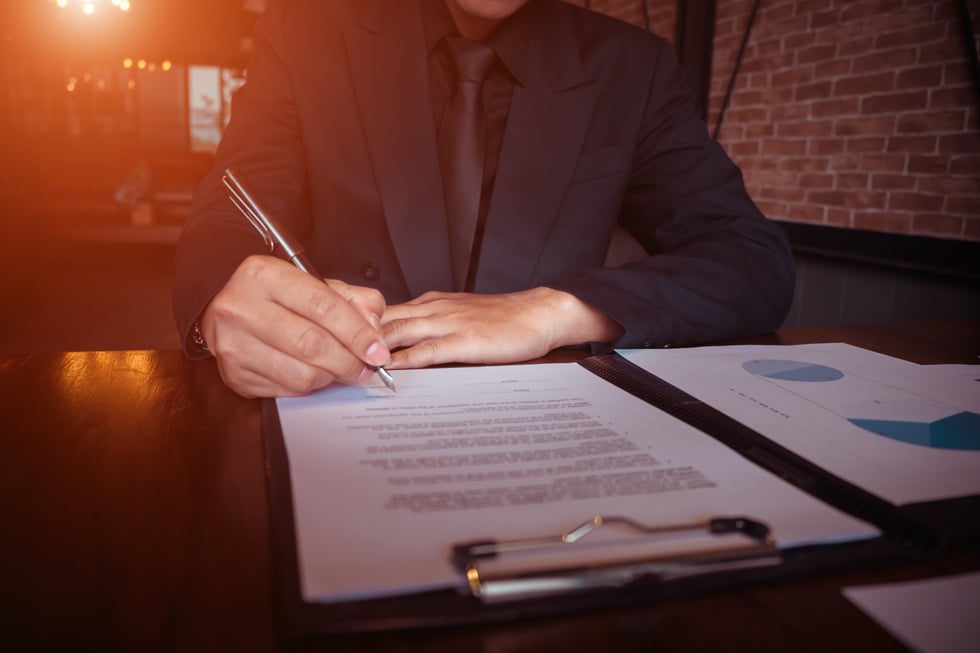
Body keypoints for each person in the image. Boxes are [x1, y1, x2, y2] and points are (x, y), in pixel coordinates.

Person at [173, 0, 795, 399]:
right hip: (345, 406)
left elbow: (751, 259)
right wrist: (223, 304)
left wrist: (560, 311)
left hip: (546, 434)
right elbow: (230, 211)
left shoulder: (634, 67)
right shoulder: (304, 31)